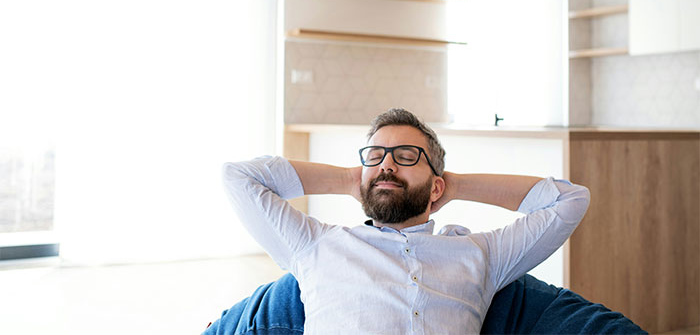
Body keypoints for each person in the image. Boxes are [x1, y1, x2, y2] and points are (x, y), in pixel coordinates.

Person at [221, 108, 590, 334]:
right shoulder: (316, 244)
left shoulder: (482, 254)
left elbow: (569, 200)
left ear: (436, 187)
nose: (387, 164)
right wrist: (352, 179)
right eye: (376, 156)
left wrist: (455, 185)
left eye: (406, 156)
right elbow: (238, 177)